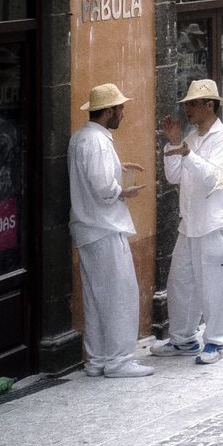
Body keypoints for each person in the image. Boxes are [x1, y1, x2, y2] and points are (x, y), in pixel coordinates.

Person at [151, 79, 223, 364]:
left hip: (216, 222)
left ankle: (215, 340)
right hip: (189, 223)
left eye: (192, 104)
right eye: (186, 104)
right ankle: (183, 338)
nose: (187, 109)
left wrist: (187, 154)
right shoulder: (190, 138)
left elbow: (213, 178)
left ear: (209, 105)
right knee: (180, 282)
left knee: (214, 283)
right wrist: (175, 143)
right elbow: (174, 177)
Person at [69, 83, 153, 378]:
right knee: (120, 295)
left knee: (95, 298)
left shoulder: (81, 137)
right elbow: (102, 186)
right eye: (119, 109)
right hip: (104, 228)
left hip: (87, 229)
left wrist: (117, 166)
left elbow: (91, 174)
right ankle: (118, 361)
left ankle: (97, 360)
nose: (122, 113)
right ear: (107, 111)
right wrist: (122, 191)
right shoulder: (98, 142)